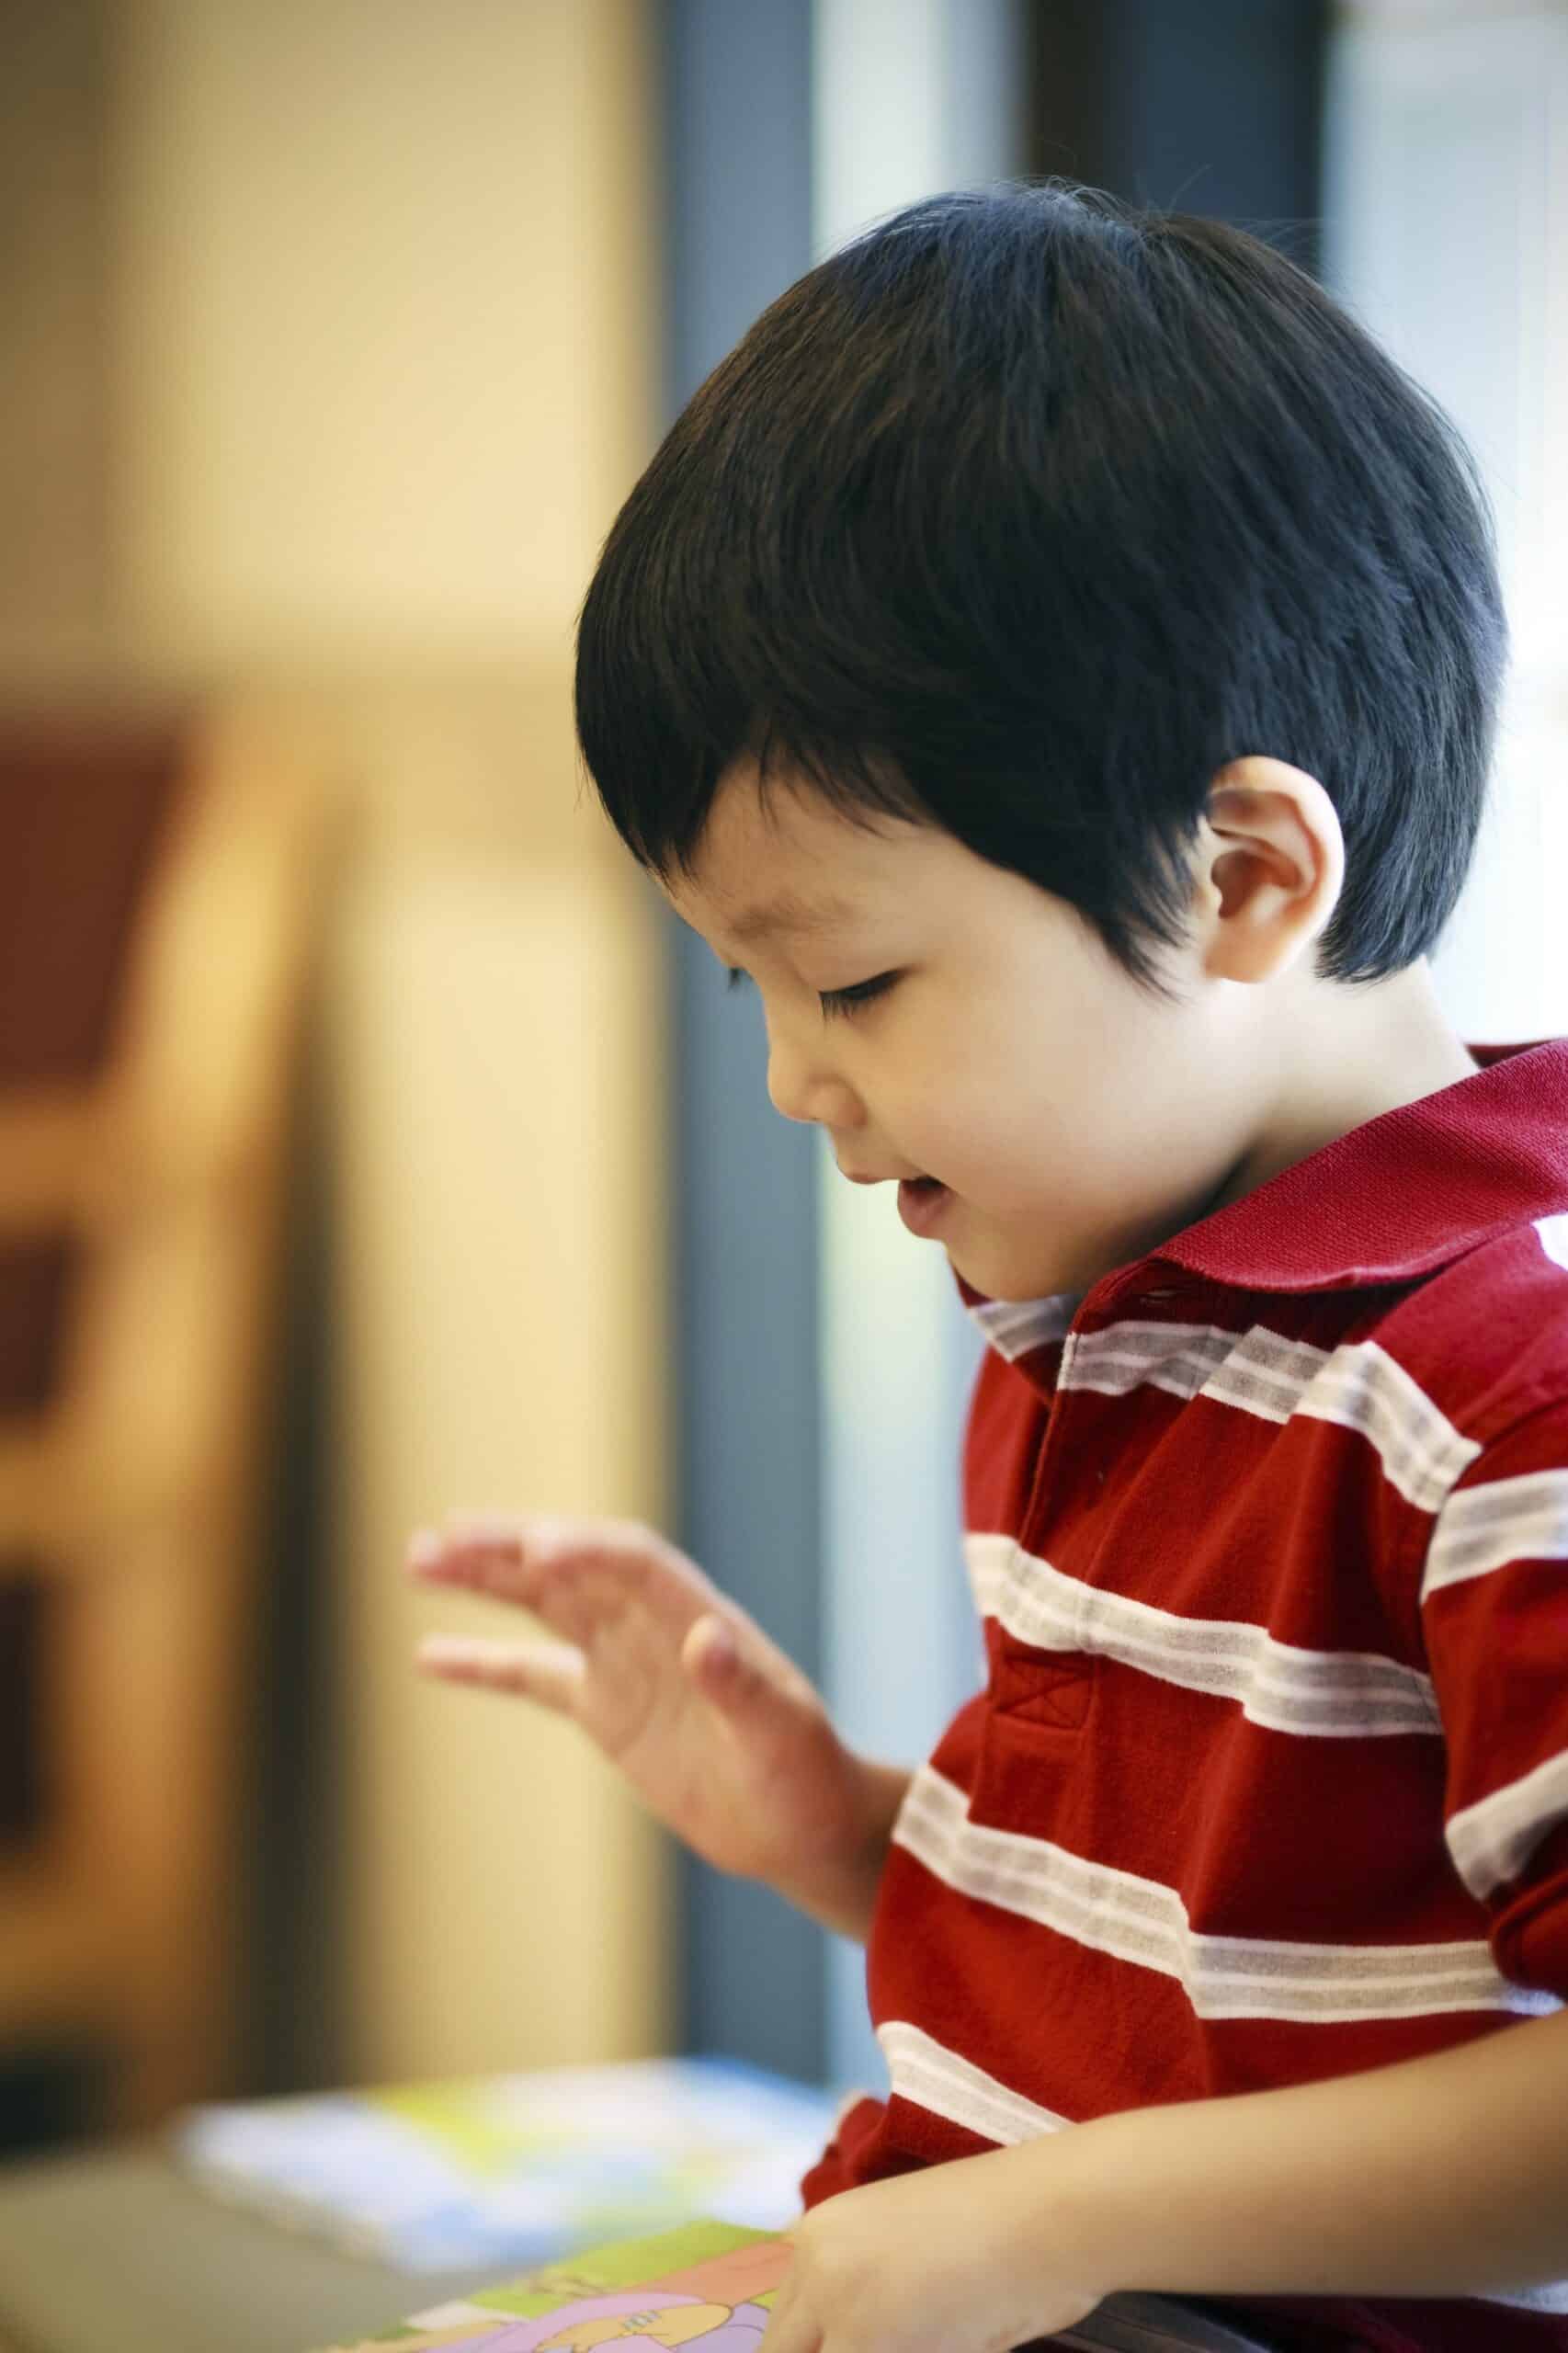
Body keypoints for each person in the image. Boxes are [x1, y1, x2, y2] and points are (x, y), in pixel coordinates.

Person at [407, 183, 1568, 2353]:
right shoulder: (1104, 1309)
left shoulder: (1505, 1382)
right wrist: (850, 1830)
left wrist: (1052, 2216)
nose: (790, 1081)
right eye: (743, 984)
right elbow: (1221, 1981)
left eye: (848, 977)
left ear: (1238, 876)